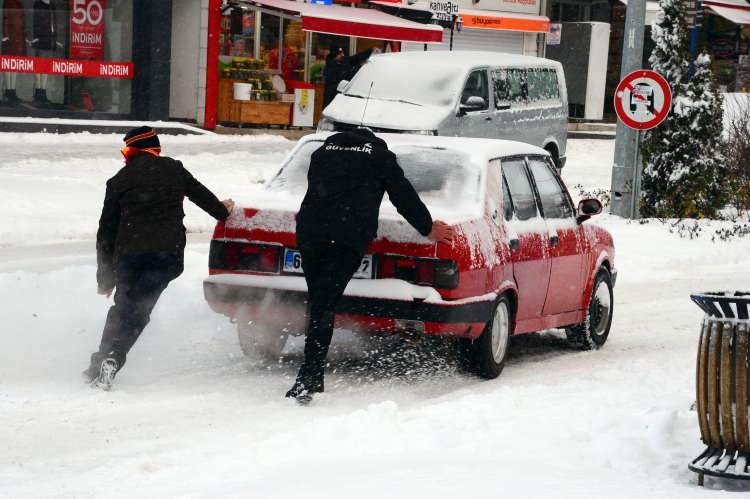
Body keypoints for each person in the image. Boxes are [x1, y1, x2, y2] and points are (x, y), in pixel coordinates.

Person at [286, 128, 455, 404]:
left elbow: (322, 191)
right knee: (324, 301)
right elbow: (403, 196)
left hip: (311, 233)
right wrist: (427, 227)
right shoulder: (379, 156)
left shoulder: (321, 153)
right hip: (347, 237)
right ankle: (309, 376)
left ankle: (310, 373)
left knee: (319, 298)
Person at [84, 126, 234, 390]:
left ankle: (102, 361)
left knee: (123, 307)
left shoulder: (120, 179)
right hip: (166, 257)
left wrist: (105, 278)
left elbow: (105, 232)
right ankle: (111, 360)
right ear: (155, 148)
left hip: (129, 257)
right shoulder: (174, 170)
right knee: (140, 309)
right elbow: (206, 201)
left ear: (132, 151)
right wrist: (223, 210)